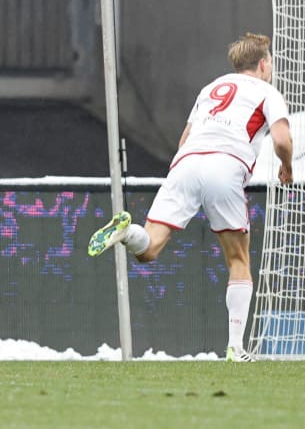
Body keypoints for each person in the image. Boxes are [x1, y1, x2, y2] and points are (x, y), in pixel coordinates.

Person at [87, 32, 293, 362]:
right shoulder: (268, 91)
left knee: (149, 249)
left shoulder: (209, 90)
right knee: (238, 261)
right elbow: (281, 140)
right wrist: (287, 168)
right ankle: (235, 348)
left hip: (185, 163)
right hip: (225, 165)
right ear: (264, 64)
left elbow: (185, 138)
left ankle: (126, 232)